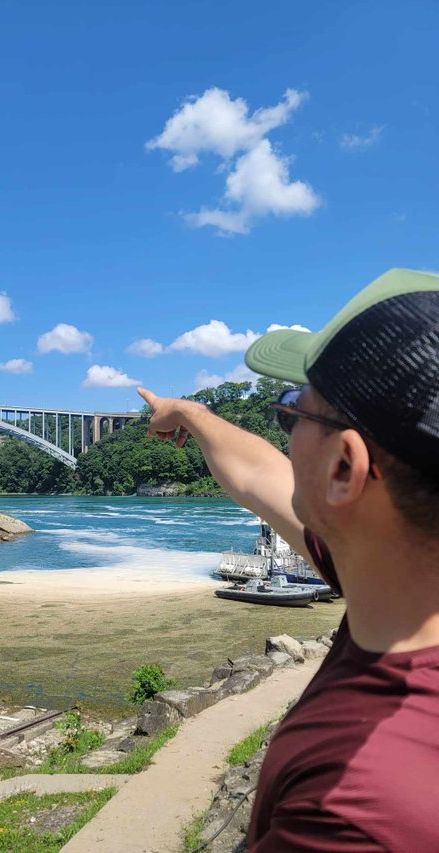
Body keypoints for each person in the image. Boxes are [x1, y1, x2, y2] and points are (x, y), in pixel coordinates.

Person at [138, 267, 439, 851]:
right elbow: (261, 477)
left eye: (293, 412)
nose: (284, 436)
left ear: (343, 469)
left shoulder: (351, 811)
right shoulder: (397, 577)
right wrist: (192, 415)